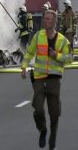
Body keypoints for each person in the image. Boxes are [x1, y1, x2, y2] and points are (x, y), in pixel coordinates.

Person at [21, 10, 72, 150]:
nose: (45, 21)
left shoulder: (62, 40)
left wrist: (57, 55)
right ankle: (43, 130)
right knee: (38, 109)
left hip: (54, 79)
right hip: (38, 77)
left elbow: (70, 58)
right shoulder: (38, 36)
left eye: (48, 19)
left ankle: (53, 137)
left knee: (54, 113)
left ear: (54, 22)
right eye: (45, 19)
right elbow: (30, 52)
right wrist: (24, 67)